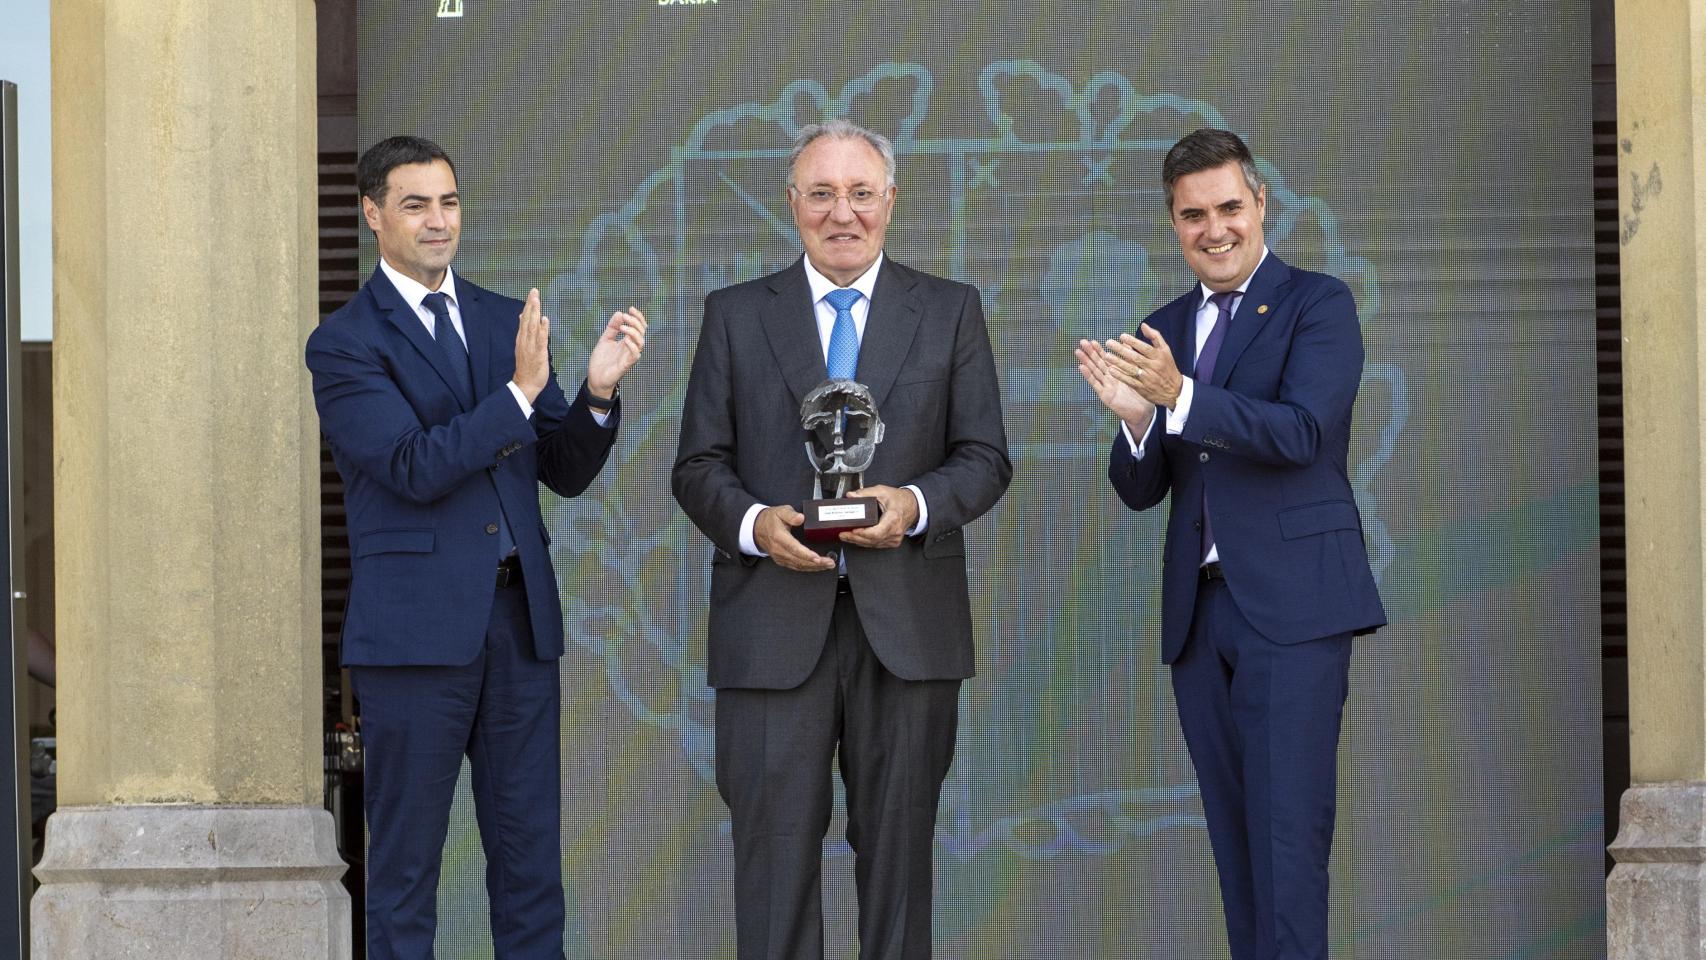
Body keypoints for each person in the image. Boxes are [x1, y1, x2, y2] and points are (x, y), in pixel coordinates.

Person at [672, 119, 1011, 960]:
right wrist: (757, 526)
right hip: (769, 628)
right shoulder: (736, 314)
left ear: (891, 202)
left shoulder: (951, 309)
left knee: (900, 871)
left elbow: (985, 458)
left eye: (861, 192)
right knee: (772, 868)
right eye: (821, 193)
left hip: (910, 628)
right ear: (792, 205)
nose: (842, 212)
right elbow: (698, 465)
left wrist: (914, 503)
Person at [305, 135, 647, 960]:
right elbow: (409, 468)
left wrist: (597, 393)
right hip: (414, 642)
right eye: (416, 204)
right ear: (373, 214)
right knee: (404, 876)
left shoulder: (505, 321)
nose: (437, 221)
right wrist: (519, 394)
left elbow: (559, 469)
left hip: (519, 633)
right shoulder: (345, 343)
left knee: (532, 873)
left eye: (448, 202)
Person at [1076, 128, 1386, 960]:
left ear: (1260, 206)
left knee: (1287, 848)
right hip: (1199, 621)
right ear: (1173, 224)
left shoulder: (1316, 303)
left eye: (1228, 209)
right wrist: (1142, 421)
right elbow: (1140, 489)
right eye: (1192, 215)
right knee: (1238, 855)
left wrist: (1180, 394)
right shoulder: (1163, 326)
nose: (1214, 229)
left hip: (1292, 611)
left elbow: (1303, 433)